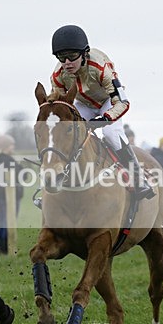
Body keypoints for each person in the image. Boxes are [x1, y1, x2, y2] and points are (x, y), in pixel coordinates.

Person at [49, 24, 153, 199]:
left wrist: (104, 119)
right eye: (61, 57)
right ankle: (58, 179)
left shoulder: (101, 67)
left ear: (84, 53)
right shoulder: (58, 75)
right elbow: (60, 104)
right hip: (82, 104)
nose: (67, 63)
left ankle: (138, 177)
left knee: (111, 132)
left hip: (108, 102)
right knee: (66, 132)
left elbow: (123, 102)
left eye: (72, 56)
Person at [0, 134, 25, 254]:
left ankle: (2, 247)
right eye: (12, 145)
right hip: (8, 196)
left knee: (3, 220)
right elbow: (21, 174)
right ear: (6, 146)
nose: (13, 147)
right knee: (8, 221)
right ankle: (5, 247)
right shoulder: (7, 160)